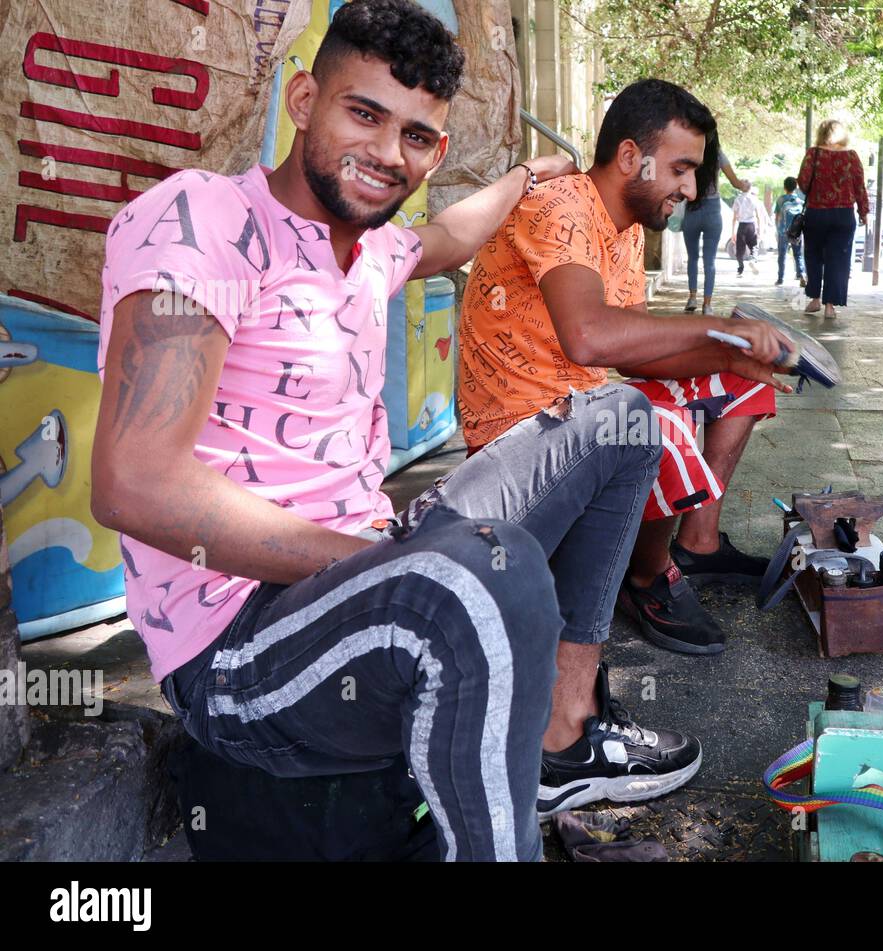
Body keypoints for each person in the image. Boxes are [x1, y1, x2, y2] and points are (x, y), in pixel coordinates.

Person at [91, 0, 677, 862]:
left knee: (622, 422)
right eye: (362, 113)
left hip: (369, 558)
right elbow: (133, 481)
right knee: (489, 577)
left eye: (414, 135)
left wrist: (528, 175)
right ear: (302, 101)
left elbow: (447, 235)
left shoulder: (371, 249)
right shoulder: (204, 220)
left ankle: (564, 729)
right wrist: (382, 560)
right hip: (235, 646)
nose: (384, 153)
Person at [457, 79, 796, 665]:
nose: (690, 189)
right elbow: (590, 336)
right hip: (514, 436)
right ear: (631, 158)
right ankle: (648, 579)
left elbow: (634, 352)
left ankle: (695, 543)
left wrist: (731, 357)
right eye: (682, 169)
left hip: (576, 411)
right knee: (651, 417)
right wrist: (719, 326)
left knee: (738, 382)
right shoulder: (561, 204)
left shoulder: (628, 228)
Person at [797, 119, 868, 319]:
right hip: (843, 214)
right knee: (838, 259)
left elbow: (803, 183)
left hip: (816, 213)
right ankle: (830, 306)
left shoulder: (813, 154)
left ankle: (814, 299)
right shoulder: (851, 156)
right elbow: (859, 186)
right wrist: (863, 211)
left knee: (814, 256)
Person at [681, 135, 749, 314]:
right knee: (709, 260)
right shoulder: (718, 155)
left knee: (693, 257)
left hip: (692, 207)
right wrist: (745, 185)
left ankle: (692, 297)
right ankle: (707, 305)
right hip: (712, 211)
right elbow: (736, 183)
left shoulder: (690, 150)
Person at [773, 176, 806, 287]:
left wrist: (777, 229)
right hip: (796, 232)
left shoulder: (780, 200)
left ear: (784, 187)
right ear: (796, 187)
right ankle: (801, 275)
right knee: (798, 255)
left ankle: (780, 278)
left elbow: (777, 217)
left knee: (782, 256)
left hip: (784, 231)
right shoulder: (800, 202)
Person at [731, 182, 759, 275]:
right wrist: (759, 229)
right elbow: (758, 216)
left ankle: (740, 267)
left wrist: (733, 232)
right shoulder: (754, 199)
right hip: (751, 225)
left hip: (742, 226)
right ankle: (752, 260)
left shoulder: (738, 199)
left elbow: (735, 218)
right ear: (750, 188)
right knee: (754, 247)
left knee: (740, 249)